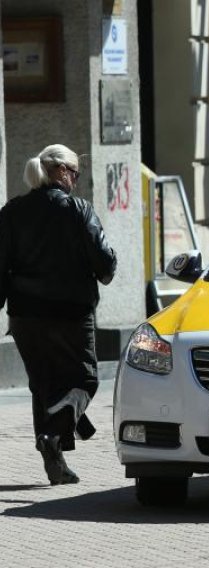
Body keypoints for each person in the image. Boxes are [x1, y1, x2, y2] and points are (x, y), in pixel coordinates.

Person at [0, 144, 117, 485]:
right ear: (62, 172)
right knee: (85, 379)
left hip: (25, 315)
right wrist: (107, 262)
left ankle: (55, 462)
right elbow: (104, 263)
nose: (76, 182)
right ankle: (54, 434)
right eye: (75, 174)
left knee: (43, 385)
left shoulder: (11, 212)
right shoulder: (78, 210)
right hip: (71, 313)